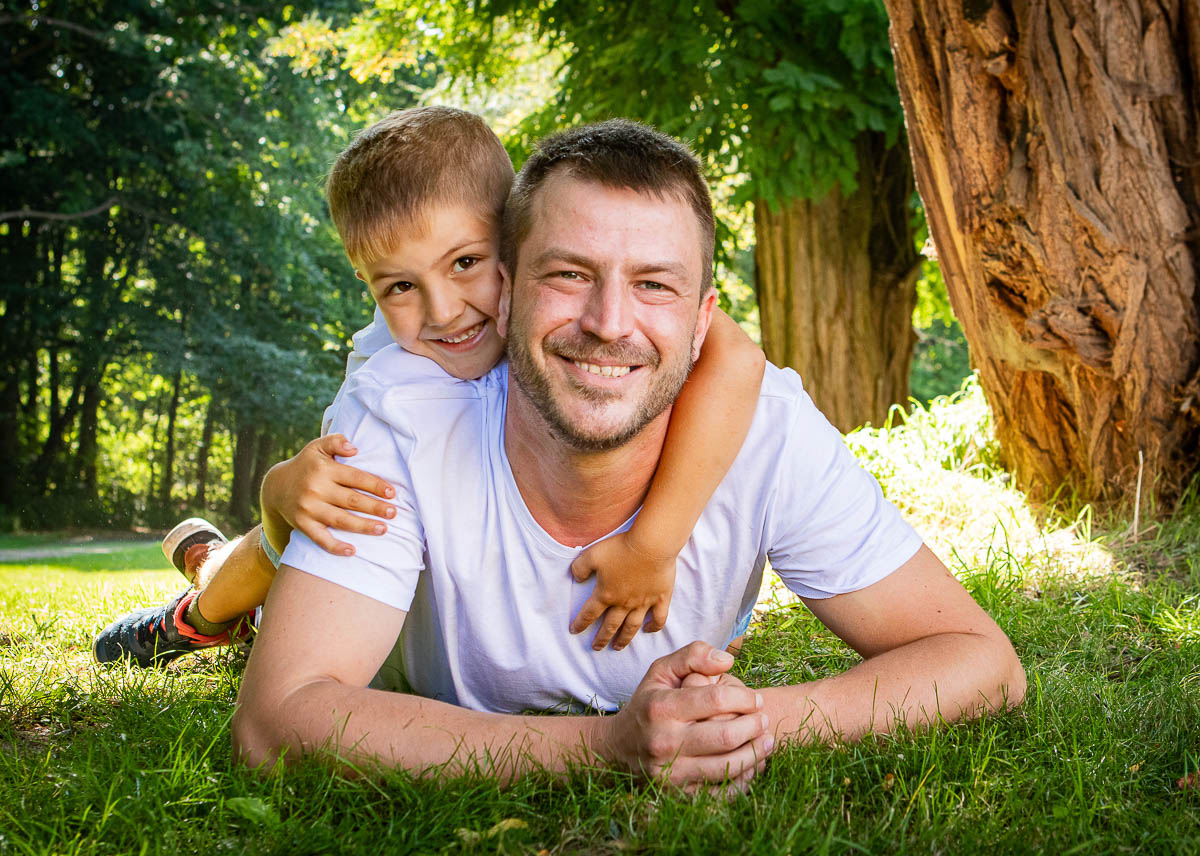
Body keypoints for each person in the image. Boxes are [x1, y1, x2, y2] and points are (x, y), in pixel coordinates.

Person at [231, 119, 1026, 795]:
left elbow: (983, 661)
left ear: (705, 317)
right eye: (570, 274)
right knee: (266, 544)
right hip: (328, 535)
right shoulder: (403, 400)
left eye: (654, 285)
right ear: (511, 289)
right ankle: (200, 602)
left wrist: (730, 726)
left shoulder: (765, 422)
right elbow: (274, 721)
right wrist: (609, 747)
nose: (610, 322)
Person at [92, 106, 765, 668]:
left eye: (468, 263)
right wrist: (278, 497)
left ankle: (211, 559)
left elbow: (736, 361)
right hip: (362, 566)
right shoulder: (391, 364)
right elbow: (340, 512)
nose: (444, 312)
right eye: (401, 287)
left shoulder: (583, 299)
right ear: (370, 285)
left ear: (517, 235)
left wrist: (654, 545)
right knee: (297, 544)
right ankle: (201, 613)